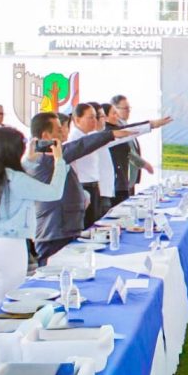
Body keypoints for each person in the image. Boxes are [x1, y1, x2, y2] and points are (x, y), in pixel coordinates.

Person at [30, 111, 165, 264]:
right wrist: (111, 134)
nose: (64, 131)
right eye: (59, 129)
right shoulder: (45, 157)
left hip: (63, 228)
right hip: (54, 232)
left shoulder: (54, 156)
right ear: (46, 136)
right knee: (53, 271)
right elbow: (81, 145)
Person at [0, 127, 68, 304]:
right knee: (9, 300)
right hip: (9, 245)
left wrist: (29, 161)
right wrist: (59, 161)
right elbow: (54, 192)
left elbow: (15, 183)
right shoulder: (16, 179)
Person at [68, 103, 104, 227]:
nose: (95, 121)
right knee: (87, 226)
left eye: (95, 117)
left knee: (94, 224)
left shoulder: (89, 136)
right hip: (83, 187)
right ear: (77, 120)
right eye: (90, 117)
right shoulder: (75, 139)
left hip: (93, 186)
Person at [110, 95, 153, 196]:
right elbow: (127, 152)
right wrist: (144, 164)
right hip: (121, 180)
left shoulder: (126, 125)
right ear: (114, 109)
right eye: (125, 108)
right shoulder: (117, 129)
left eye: (129, 108)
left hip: (129, 179)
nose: (128, 111)